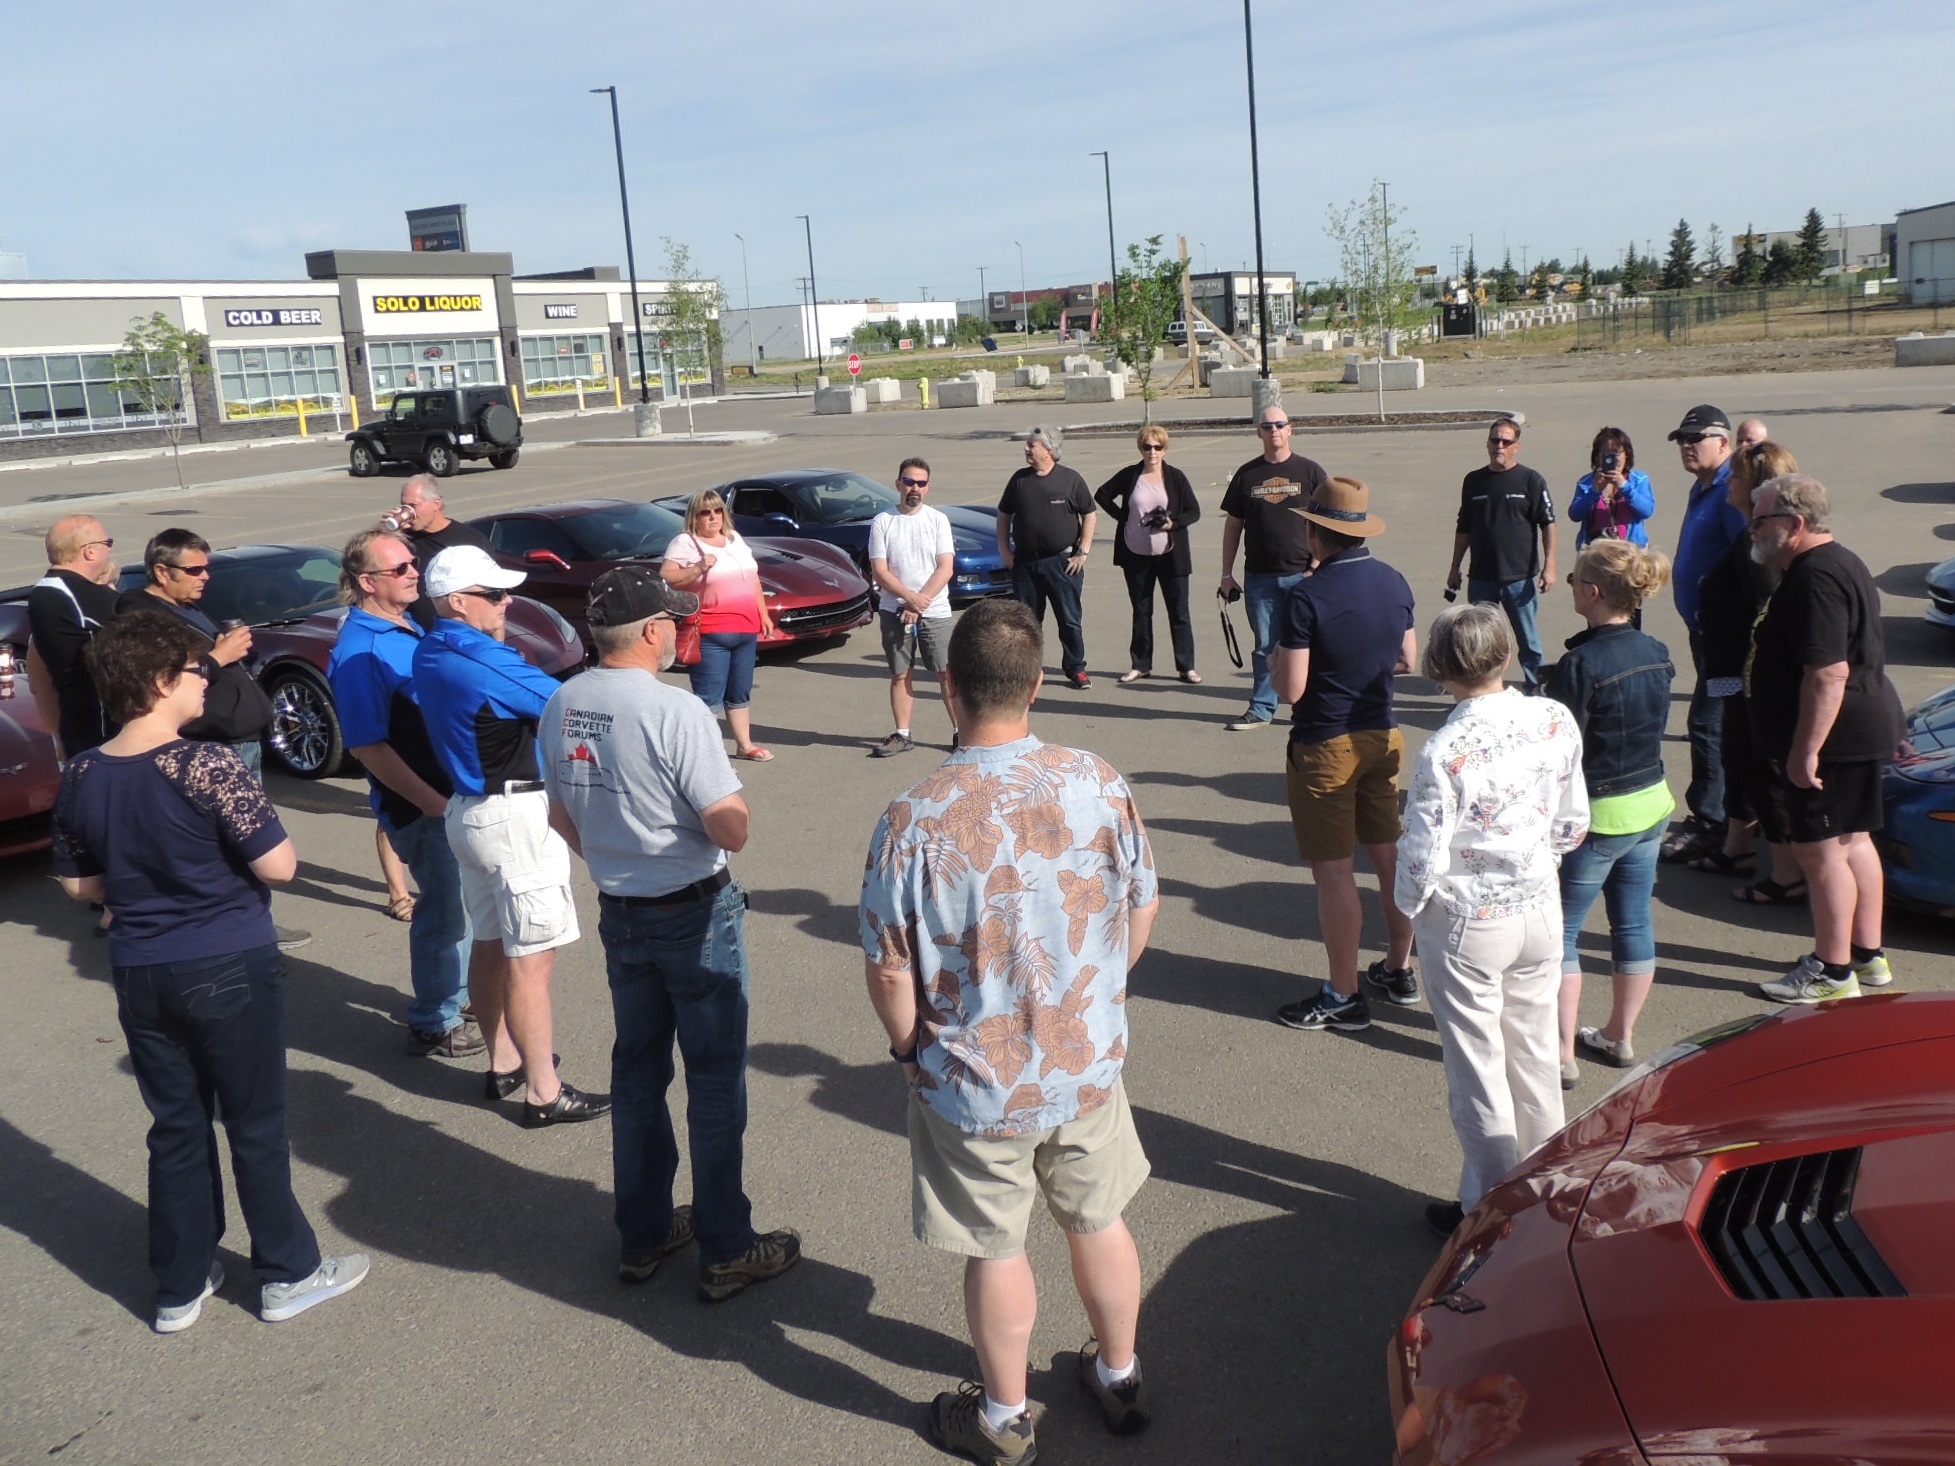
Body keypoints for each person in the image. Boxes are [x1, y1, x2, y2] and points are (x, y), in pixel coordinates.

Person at [859, 598, 1161, 1465]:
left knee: (996, 1243)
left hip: (972, 1075)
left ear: (947, 688)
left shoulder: (912, 817)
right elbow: (1139, 904)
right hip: (1083, 1060)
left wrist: (907, 1043)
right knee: (1096, 1216)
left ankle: (1001, 1416)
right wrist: (1102, 993)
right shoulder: (1098, 781)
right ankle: (1119, 1373)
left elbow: (889, 965)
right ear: (1034, 685)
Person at [50, 611, 369, 1331]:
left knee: (176, 1126)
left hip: (140, 968)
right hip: (225, 957)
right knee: (254, 1124)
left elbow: (78, 886)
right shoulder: (205, 762)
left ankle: (180, 1284)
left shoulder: (82, 772)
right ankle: (286, 1271)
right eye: (196, 671)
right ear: (162, 681)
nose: (205, 682)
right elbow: (279, 866)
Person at [542, 565, 802, 1302]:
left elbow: (560, 812)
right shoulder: (675, 711)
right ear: (651, 632)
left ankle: (646, 1230)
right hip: (690, 909)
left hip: (621, 909)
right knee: (714, 1082)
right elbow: (731, 826)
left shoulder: (562, 701)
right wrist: (704, 826)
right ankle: (726, 1245)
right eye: (673, 622)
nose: (679, 631)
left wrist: (615, 853)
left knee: (637, 1072)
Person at [1395, 604, 1588, 1235]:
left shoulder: (1445, 749)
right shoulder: (1553, 717)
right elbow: (1572, 821)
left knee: (1476, 1070)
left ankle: (1494, 1219)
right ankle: (1544, 1190)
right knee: (1534, 1052)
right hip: (1537, 902)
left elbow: (1421, 855)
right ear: (1504, 656)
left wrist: (1409, 906)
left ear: (1440, 669)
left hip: (1468, 919)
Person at [413, 545, 607, 1126]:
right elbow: (563, 699)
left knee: (494, 941)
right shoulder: (479, 655)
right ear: (456, 601)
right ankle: (545, 1092)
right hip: (513, 816)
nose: (507, 601)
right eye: (493, 594)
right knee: (531, 959)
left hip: (469, 812)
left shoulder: (430, 647)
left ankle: (503, 1062)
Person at [1748, 476, 1906, 1005]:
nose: (1753, 529)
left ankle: (1833, 971)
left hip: (1834, 739)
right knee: (1854, 841)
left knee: (1819, 855)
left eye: (1761, 520)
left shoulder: (1814, 578)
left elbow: (1828, 672)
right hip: (1859, 728)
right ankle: (1868, 955)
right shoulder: (1839, 561)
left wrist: (1804, 749)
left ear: (1794, 524)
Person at [1270, 478, 1420, 1033]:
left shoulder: (1307, 597)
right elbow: (1407, 659)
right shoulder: (1394, 581)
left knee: (1334, 873)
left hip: (1326, 743)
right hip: (1382, 734)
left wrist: (1273, 663)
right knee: (1389, 859)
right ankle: (1399, 970)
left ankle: (1343, 991)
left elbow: (1291, 688)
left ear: (1317, 531)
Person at [116, 528, 311, 955]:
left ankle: (254, 929)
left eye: (207, 568)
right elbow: (159, 682)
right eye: (194, 570)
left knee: (248, 846)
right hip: (212, 747)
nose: (205, 577)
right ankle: (241, 938)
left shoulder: (187, 606)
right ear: (161, 571)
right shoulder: (139, 613)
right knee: (231, 849)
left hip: (240, 742)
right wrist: (217, 658)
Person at [327, 529, 481, 1058]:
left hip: (451, 796)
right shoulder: (361, 650)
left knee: (463, 908)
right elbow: (368, 746)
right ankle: (435, 1020)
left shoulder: (405, 623)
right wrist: (433, 804)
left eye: (413, 562)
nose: (415, 571)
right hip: (425, 808)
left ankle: (457, 997)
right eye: (400, 568)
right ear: (367, 582)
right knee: (444, 916)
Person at [1545, 541, 1675, 1084]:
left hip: (1598, 815)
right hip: (1652, 803)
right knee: (1633, 923)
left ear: (1593, 593)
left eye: (1575, 580)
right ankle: (1619, 1036)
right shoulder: (1657, 650)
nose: (1570, 587)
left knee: (1561, 933)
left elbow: (1561, 749)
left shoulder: (1581, 664)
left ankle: (1561, 1055)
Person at [1697, 440, 1807, 901]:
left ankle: (1787, 874)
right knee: (1737, 757)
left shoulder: (1758, 548)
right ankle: (1738, 844)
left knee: (1760, 766)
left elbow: (1768, 612)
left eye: (1735, 476)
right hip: (1732, 672)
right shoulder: (1749, 536)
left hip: (1752, 678)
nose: (1729, 483)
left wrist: (1755, 680)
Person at [1660, 404, 1748, 864]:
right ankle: (1730, 816)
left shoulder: (1731, 490)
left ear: (1725, 443)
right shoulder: (1705, 487)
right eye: (1682, 439)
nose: (1688, 445)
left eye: (1697, 437)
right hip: (1706, 633)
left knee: (1708, 724)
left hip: (1726, 640)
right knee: (1721, 723)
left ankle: (1711, 821)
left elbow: (1749, 561)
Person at [1217, 404, 1327, 729]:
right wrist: (1227, 574)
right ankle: (1262, 708)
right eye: (1267, 426)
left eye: (1280, 424)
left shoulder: (1310, 472)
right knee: (1266, 645)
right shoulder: (1247, 475)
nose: (1274, 430)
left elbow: (1326, 522)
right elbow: (1233, 526)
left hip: (1303, 576)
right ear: (1259, 432)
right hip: (1260, 579)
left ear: (1290, 429)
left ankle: (1311, 709)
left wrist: (1317, 565)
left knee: (1309, 644)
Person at [660, 489, 776, 762]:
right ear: (694, 516)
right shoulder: (686, 542)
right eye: (705, 512)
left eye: (717, 511)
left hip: (746, 629)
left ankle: (745, 745)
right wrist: (698, 568)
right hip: (710, 631)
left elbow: (753, 579)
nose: (713, 517)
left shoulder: (734, 539)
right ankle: (707, 757)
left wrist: (764, 614)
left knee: (739, 690)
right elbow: (667, 576)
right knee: (708, 697)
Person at [1445, 418, 1558, 690]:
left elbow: (1548, 523)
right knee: (1480, 641)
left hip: (1519, 578)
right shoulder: (1473, 481)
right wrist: (1454, 567)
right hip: (1482, 577)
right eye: (1495, 439)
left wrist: (1550, 566)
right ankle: (1484, 690)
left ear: (1516, 447)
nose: (1500, 445)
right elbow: (1464, 527)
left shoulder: (1531, 480)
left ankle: (1534, 690)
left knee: (1528, 641)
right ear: (1487, 443)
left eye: (1506, 441)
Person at [1095, 425, 1202, 685]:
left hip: (1171, 555)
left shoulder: (1175, 477)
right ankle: (1140, 665)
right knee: (1141, 611)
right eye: (1147, 447)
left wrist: (1171, 524)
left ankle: (1186, 667)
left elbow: (1193, 511)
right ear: (1140, 448)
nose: (1152, 452)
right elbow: (1102, 494)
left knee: (1179, 612)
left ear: (1165, 449)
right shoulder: (1131, 475)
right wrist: (1124, 518)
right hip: (1136, 554)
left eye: (1158, 447)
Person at [867, 457, 959, 756]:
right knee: (900, 673)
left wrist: (919, 604)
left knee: (946, 673)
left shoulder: (937, 520)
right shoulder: (884, 521)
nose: (914, 488)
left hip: (935, 610)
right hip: (896, 610)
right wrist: (909, 598)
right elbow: (880, 571)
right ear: (898, 484)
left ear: (927, 488)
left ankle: (962, 733)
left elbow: (945, 568)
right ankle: (902, 734)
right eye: (909, 482)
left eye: (920, 483)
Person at [996, 424, 1096, 690]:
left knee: (1070, 620)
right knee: (1026, 623)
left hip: (1063, 565)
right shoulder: (1019, 480)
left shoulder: (1070, 480)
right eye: (1027, 444)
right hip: (1026, 564)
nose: (1026, 448)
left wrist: (1082, 552)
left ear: (1049, 450)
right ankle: (1028, 671)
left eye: (1032, 444)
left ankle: (1076, 669)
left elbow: (1089, 513)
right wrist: (1005, 550)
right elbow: (1004, 515)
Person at [26, 514, 122, 761]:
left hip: (80, 732)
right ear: (89, 551)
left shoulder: (44, 593)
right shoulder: (71, 595)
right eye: (107, 543)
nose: (110, 550)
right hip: (104, 735)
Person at [388, 474, 494, 628]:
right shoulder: (402, 541)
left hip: (463, 636)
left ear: (436, 504)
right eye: (404, 506)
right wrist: (386, 532)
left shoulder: (471, 540)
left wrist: (497, 640)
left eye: (413, 505)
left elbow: (494, 596)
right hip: (416, 635)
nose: (408, 512)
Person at [1566, 427, 1656, 550]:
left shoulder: (1639, 480)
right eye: (1606, 453)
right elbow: (1575, 515)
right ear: (1597, 456)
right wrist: (1594, 490)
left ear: (1627, 455)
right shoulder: (1586, 483)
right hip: (1595, 553)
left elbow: (1647, 510)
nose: (1611, 458)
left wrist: (1624, 486)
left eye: (1617, 453)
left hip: (1632, 553)